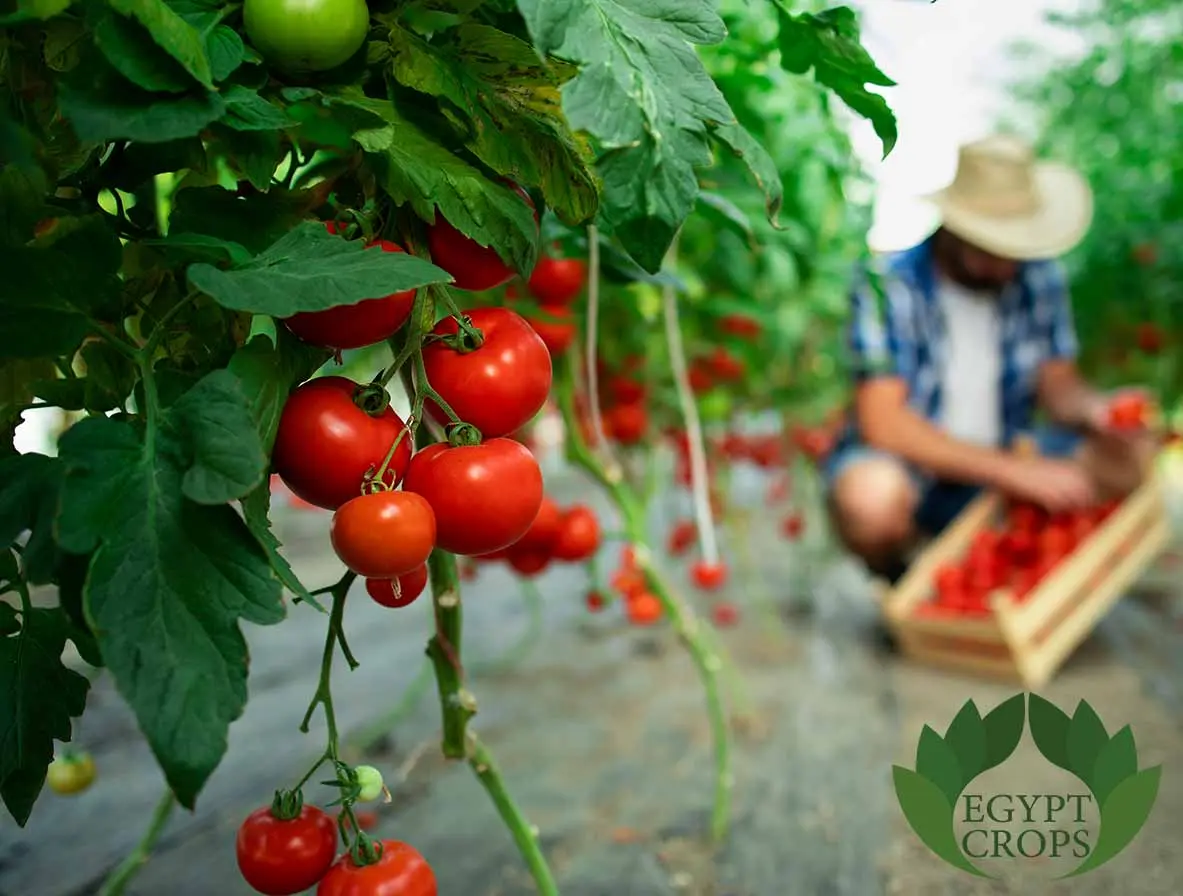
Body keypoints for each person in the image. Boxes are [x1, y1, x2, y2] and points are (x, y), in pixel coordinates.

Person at [824, 134, 1156, 590]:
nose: (1006, 266)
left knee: (1132, 456)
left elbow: (1059, 386)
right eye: (991, 248)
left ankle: (1026, 564)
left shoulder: (1037, 277)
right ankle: (902, 576)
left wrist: (1094, 410)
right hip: (917, 472)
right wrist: (1015, 471)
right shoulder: (887, 285)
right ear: (955, 228)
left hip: (1007, 454)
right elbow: (883, 422)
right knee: (869, 499)